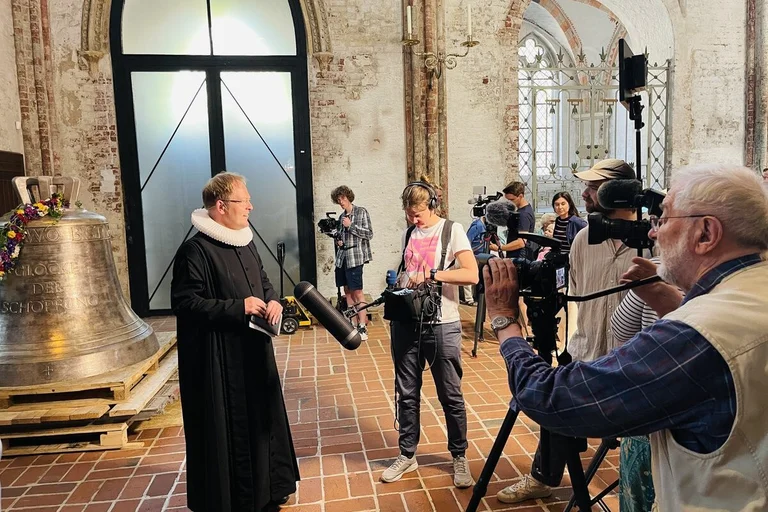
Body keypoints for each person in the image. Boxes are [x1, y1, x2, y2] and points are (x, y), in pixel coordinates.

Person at [486, 163, 768, 511]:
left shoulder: (696, 334)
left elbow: (550, 397)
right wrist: (664, 296)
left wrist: (505, 321)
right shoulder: (752, 292)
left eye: (663, 220)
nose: (652, 234)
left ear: (706, 233)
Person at [496, 158, 639, 504]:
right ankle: (543, 477)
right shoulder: (583, 240)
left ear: (620, 193)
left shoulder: (650, 241)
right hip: (586, 352)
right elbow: (573, 296)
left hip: (634, 365)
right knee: (554, 400)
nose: (584, 193)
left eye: (594, 187)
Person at [171, 172, 299, 512]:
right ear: (220, 206)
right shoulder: (194, 251)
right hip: (220, 360)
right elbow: (185, 303)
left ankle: (272, 487)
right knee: (233, 426)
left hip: (255, 350)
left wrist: (273, 301)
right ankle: (238, 498)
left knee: (263, 417)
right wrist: (237, 307)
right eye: (244, 201)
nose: (251, 207)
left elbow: (264, 283)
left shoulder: (246, 241)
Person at [381, 181, 479, 488]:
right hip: (407, 322)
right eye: (409, 214)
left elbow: (471, 274)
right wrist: (400, 282)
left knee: (450, 395)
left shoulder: (453, 230)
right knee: (406, 393)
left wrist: (433, 274)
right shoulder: (408, 233)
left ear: (432, 205)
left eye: (419, 213)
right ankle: (407, 454)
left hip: (443, 324)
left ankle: (459, 456)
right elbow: (407, 270)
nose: (414, 220)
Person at [331, 185, 373, 340]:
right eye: (338, 200)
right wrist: (339, 241)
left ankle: (362, 326)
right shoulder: (341, 217)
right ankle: (352, 324)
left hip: (355, 257)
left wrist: (351, 226)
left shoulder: (361, 212)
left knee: (357, 292)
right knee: (347, 291)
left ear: (349, 197)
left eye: (342, 198)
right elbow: (343, 237)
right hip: (342, 258)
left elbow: (369, 234)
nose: (341, 202)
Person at [492, 181, 535, 258]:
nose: (509, 202)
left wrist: (499, 248)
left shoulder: (524, 214)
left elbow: (521, 242)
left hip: (520, 256)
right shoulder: (521, 210)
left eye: (511, 200)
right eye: (507, 200)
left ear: (520, 196)